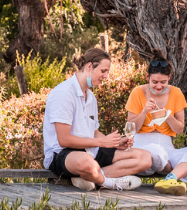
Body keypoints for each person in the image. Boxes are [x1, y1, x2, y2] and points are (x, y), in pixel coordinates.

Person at [42, 48, 152, 191]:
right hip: (63, 154)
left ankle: (88, 178)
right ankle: (111, 183)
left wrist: (114, 143)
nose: (106, 76)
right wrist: (102, 142)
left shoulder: (91, 97)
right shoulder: (63, 93)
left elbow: (94, 132)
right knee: (87, 164)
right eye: (103, 71)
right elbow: (64, 140)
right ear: (89, 66)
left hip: (90, 150)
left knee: (145, 158)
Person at [125, 59, 187, 196]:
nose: (159, 86)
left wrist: (168, 116)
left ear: (169, 77)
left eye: (163, 82)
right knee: (155, 151)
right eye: (155, 82)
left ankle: (170, 178)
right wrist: (144, 111)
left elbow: (179, 129)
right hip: (143, 146)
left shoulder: (176, 93)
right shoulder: (137, 92)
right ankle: (177, 171)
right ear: (147, 77)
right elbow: (131, 128)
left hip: (167, 147)